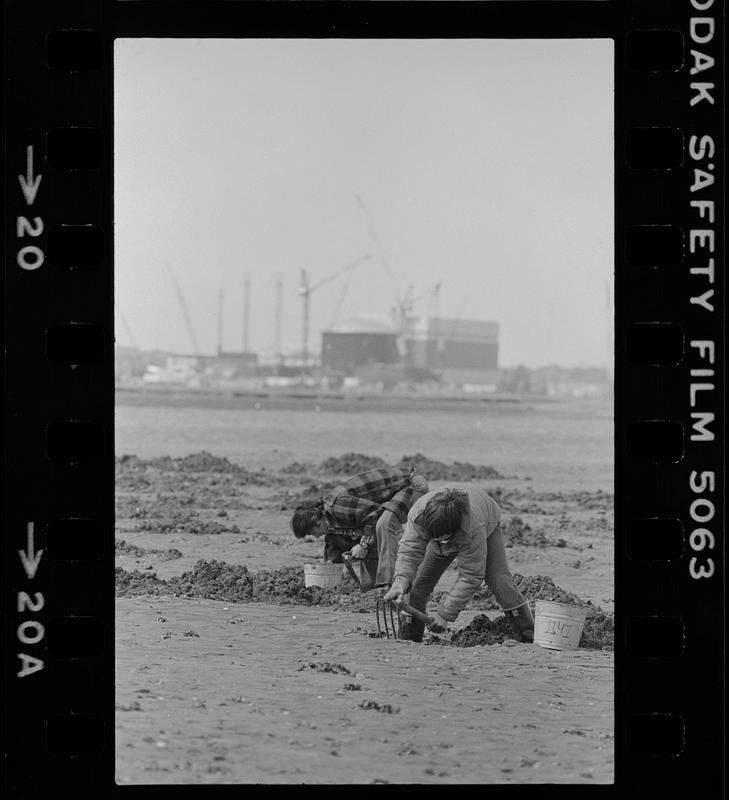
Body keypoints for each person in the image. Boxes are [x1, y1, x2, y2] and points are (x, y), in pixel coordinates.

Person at [383, 486, 535, 642]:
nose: (440, 543)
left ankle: (528, 633)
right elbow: (409, 552)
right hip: (442, 524)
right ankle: (410, 638)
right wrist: (400, 581)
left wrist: (444, 614)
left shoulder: (474, 527)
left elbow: (471, 575)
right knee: (418, 583)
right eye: (435, 539)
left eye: (444, 539)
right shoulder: (419, 515)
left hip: (486, 520)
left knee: (498, 580)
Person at [290, 466, 429, 589]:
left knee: (383, 525)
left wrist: (363, 545)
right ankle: (372, 587)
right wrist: (329, 567)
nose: (316, 537)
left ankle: (387, 585)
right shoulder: (331, 525)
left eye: (312, 533)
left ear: (316, 521)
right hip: (386, 502)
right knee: (367, 536)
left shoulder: (338, 505)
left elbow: (375, 514)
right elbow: (333, 550)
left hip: (410, 485)